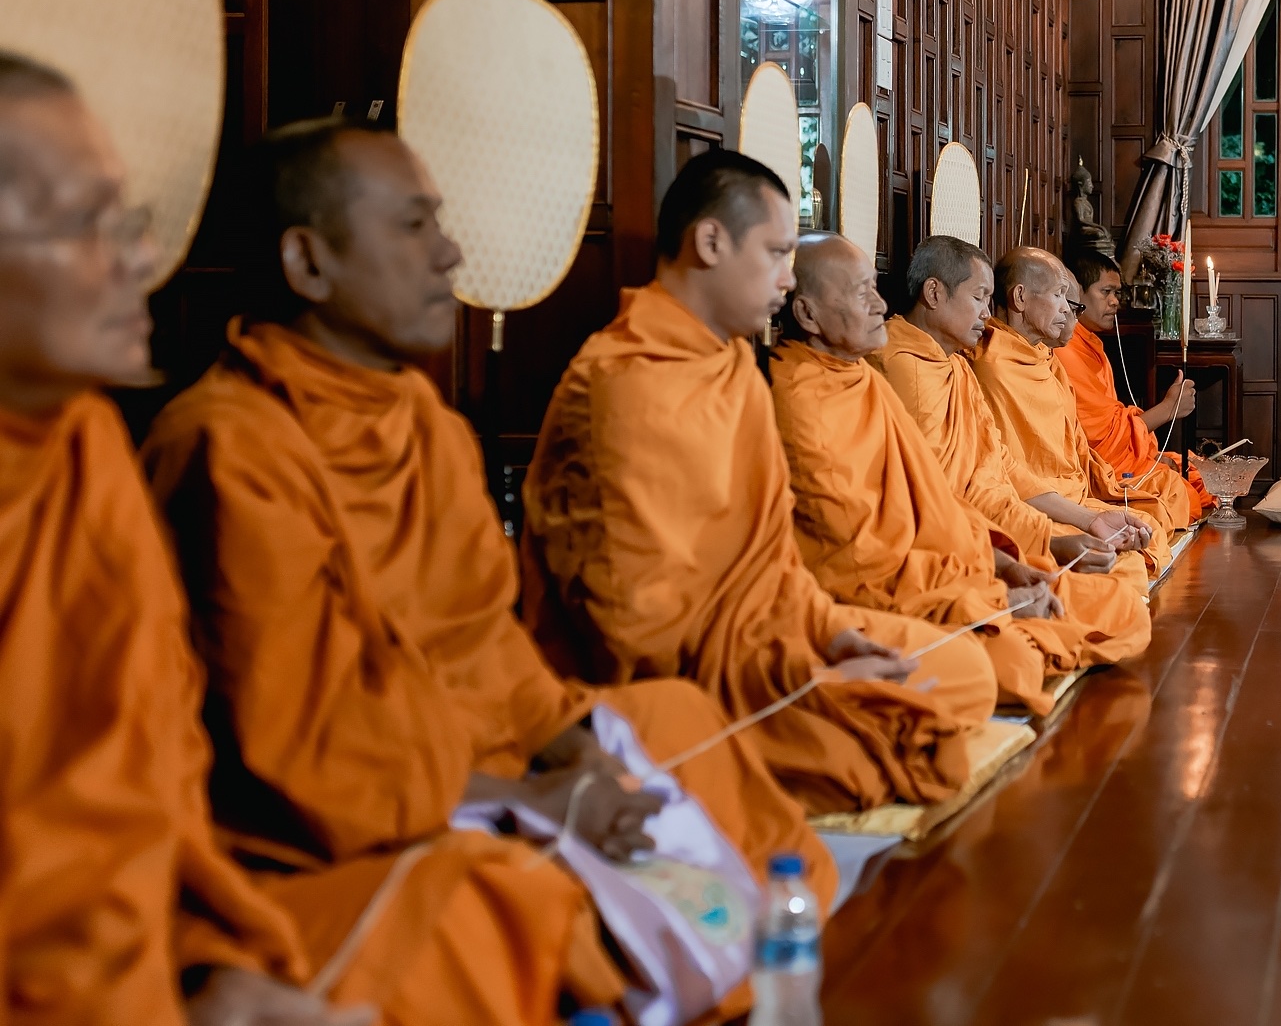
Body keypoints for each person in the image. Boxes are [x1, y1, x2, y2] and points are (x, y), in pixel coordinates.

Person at [141, 118, 832, 1023]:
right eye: (415, 227)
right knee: (485, 895)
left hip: (490, 759)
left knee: (676, 719)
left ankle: (656, 945)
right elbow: (302, 753)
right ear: (309, 263)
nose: (450, 252)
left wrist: (576, 756)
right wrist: (538, 797)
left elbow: (487, 646)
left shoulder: (424, 421)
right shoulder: (230, 445)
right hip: (356, 818)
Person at [0, 56, 362, 1026]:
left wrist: (204, 971)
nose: (136, 260)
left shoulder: (84, 457)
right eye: (87, 221)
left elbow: (153, 798)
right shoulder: (214, 434)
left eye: (131, 220)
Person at [522, 150, 998, 814]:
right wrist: (800, 672)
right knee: (697, 726)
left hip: (774, 645)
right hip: (699, 683)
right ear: (710, 242)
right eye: (776, 252)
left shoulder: (734, 369)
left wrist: (830, 634)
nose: (785, 278)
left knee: (965, 671)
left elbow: (773, 562)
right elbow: (637, 628)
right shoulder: (622, 381)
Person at [769, 233, 1149, 716]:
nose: (878, 304)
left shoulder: (889, 377)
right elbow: (868, 538)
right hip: (893, 581)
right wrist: (1002, 569)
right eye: (861, 292)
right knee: (1002, 666)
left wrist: (1014, 561)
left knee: (1125, 609)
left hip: (968, 549)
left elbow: (984, 474)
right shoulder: (828, 386)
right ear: (806, 314)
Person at [873, 236, 1155, 590]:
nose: (987, 315)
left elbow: (1000, 465)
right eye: (978, 298)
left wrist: (1090, 520)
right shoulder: (906, 368)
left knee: (1120, 567)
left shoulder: (955, 368)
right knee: (1108, 588)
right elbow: (935, 499)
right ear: (933, 293)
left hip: (999, 515)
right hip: (949, 545)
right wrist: (1038, 545)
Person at [972, 248, 1188, 588]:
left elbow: (1077, 445)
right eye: (1059, 297)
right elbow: (1007, 468)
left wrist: (1107, 490)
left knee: (1152, 520)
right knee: (1120, 567)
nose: (1067, 311)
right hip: (1035, 504)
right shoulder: (991, 366)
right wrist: (1089, 516)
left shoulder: (1046, 358)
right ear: (1020, 297)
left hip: (1076, 493)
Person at [1054, 251, 1215, 518]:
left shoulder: (1090, 343)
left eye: (1116, 293)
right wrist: (1168, 409)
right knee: (1181, 492)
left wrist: (1150, 453)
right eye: (1106, 291)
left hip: (1119, 455)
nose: (1115, 301)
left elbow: (1111, 420)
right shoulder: (1066, 349)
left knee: (1198, 471)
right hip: (1099, 468)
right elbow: (1099, 440)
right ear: (1076, 292)